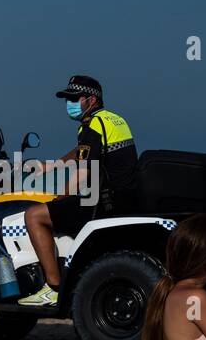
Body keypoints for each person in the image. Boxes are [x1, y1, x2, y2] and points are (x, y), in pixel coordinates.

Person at [18, 75, 137, 307]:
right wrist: (52, 166)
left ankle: (52, 288)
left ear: (91, 100)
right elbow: (83, 151)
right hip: (123, 199)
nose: (69, 103)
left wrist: (58, 198)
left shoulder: (91, 125)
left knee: (34, 216)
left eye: (74, 98)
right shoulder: (114, 120)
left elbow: (84, 172)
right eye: (67, 98)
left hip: (103, 204)